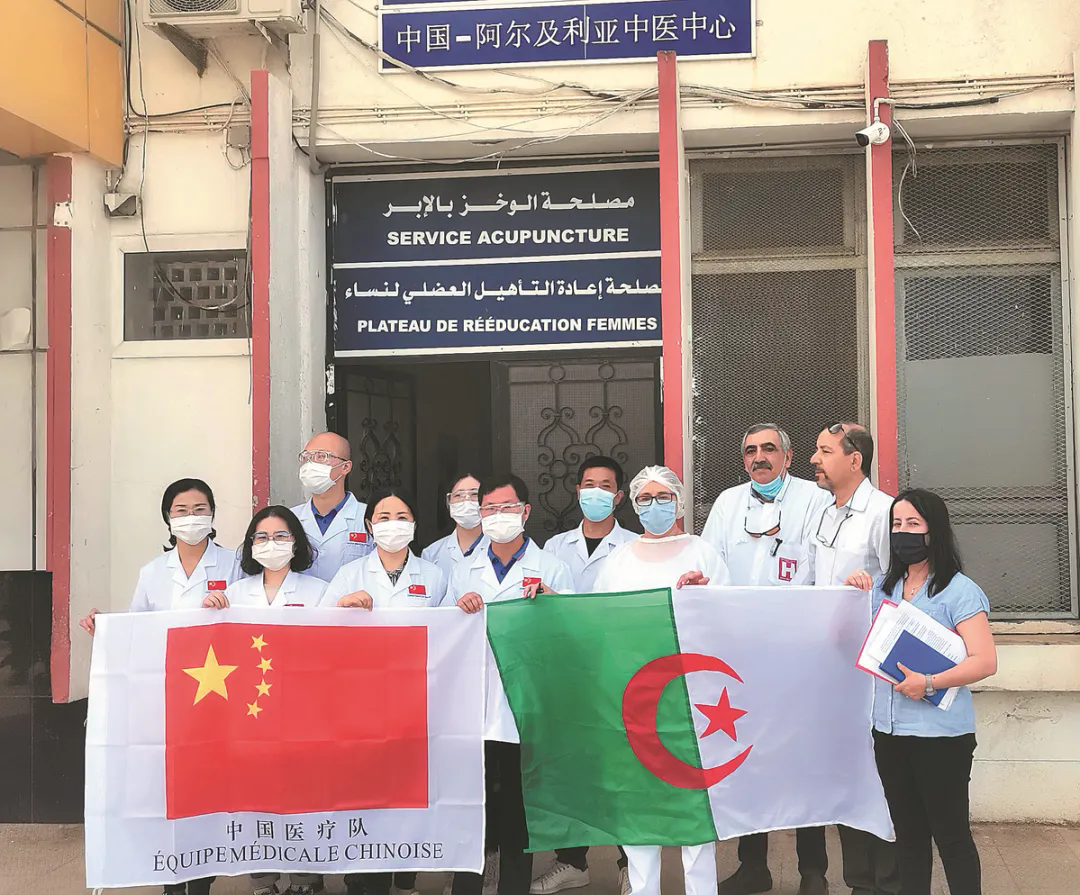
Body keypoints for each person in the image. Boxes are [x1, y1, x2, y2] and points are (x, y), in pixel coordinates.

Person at [79, 477, 243, 895]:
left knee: (208, 789)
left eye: (200, 509)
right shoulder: (153, 572)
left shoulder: (234, 564)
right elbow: (138, 627)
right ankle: (172, 878)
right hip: (168, 699)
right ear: (168, 519)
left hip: (218, 697)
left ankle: (201, 878)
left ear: (212, 515)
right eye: (181, 511)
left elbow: (250, 621)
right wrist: (105, 627)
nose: (191, 518)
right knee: (171, 790)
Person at [702, 425, 832, 895]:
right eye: (751, 451)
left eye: (769, 449)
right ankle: (752, 866)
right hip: (741, 655)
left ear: (788, 457)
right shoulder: (727, 503)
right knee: (748, 762)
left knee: (803, 761)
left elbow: (824, 570)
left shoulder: (815, 501)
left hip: (799, 655)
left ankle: (812, 872)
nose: (759, 457)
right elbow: (712, 565)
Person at [846, 490, 996, 895]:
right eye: (896, 525)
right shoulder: (883, 588)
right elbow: (849, 639)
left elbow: (985, 661)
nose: (903, 533)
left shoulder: (959, 591)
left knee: (951, 835)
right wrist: (851, 592)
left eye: (913, 524)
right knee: (908, 836)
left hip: (941, 737)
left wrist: (929, 683)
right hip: (889, 733)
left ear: (935, 531)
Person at [593, 465, 729, 895]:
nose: (654, 505)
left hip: (691, 699)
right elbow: (597, 623)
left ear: (679, 501)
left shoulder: (703, 553)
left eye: (663, 497)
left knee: (694, 804)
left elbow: (729, 619)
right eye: (645, 498)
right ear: (634, 505)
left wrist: (704, 594)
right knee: (640, 803)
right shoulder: (618, 560)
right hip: (633, 695)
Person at [443, 473, 575, 895]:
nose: (498, 515)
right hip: (473, 706)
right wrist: (458, 608)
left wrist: (554, 604)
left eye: (507, 507)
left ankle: (513, 887)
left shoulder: (552, 568)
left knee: (518, 810)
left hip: (525, 704)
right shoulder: (462, 571)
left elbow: (573, 635)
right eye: (490, 509)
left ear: (526, 511)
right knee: (474, 807)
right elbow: (443, 636)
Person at [202, 506, 325, 895]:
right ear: (251, 545)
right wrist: (211, 611)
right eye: (262, 537)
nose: (271, 544)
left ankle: (305, 879)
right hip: (249, 713)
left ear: (296, 543)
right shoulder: (235, 594)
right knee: (255, 796)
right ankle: (262, 880)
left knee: (303, 793)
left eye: (281, 536)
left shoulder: (319, 591)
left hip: (303, 713)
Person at [532, 455, 636, 895]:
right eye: (588, 484)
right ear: (577, 492)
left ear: (619, 496)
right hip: (567, 672)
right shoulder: (554, 548)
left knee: (620, 769)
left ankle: (631, 864)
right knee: (570, 767)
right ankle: (572, 861)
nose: (596, 492)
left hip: (616, 671)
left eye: (605, 486)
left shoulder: (634, 546)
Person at [809, 424, 899, 895]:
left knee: (878, 776)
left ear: (855, 460)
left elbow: (900, 588)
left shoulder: (884, 513)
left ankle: (889, 881)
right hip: (830, 669)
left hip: (872, 671)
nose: (814, 459)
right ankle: (858, 881)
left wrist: (869, 592)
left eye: (824, 451)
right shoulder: (823, 512)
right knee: (845, 772)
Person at [322, 488, 447, 610]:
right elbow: (322, 620)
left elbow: (447, 621)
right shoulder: (349, 575)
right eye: (384, 518)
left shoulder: (434, 576)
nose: (393, 525)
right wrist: (341, 608)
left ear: (414, 525)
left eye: (402, 518)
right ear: (369, 526)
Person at [291, 432, 371, 582]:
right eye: (307, 457)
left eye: (322, 456)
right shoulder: (289, 519)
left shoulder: (370, 516)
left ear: (345, 467)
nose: (311, 464)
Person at [422, 473, 489, 583]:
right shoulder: (432, 554)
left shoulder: (500, 548)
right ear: (448, 502)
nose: (467, 501)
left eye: (474, 494)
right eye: (458, 495)